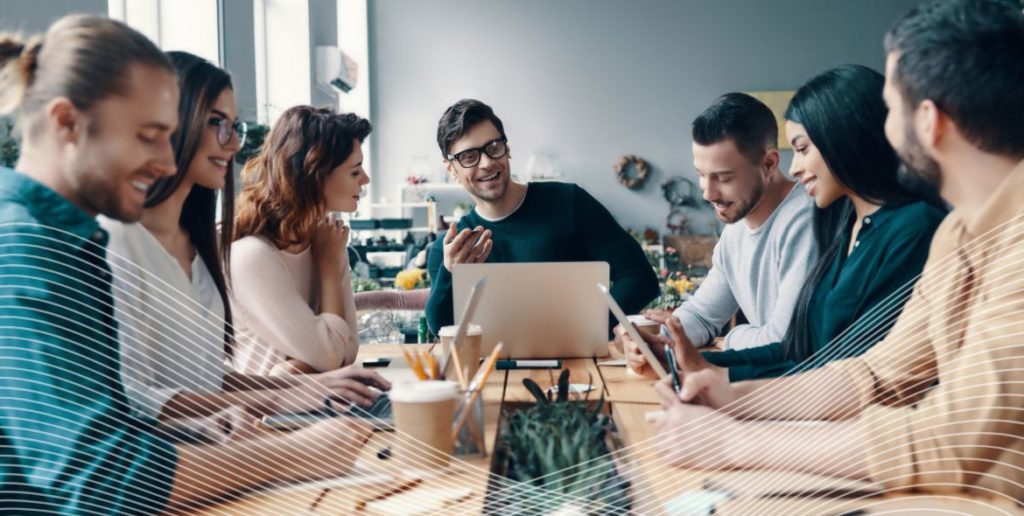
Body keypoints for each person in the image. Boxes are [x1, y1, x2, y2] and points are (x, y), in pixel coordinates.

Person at [653, 0, 1024, 502]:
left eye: (892, 110)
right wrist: (734, 395)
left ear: (930, 122)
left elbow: (947, 442)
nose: (884, 129)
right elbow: (878, 374)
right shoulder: (958, 234)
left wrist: (732, 438)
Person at [0, 16, 370, 512]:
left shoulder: (70, 238)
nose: (169, 163)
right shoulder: (26, 247)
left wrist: (202, 423)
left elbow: (115, 418)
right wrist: (294, 453)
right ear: (67, 122)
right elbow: (99, 479)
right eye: (149, 136)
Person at [101, 51, 388, 427]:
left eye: (235, 126)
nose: (235, 143)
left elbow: (208, 380)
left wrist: (318, 387)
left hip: (231, 441)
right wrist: (299, 390)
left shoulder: (198, 245)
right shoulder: (118, 239)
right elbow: (132, 398)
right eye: (218, 123)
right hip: (183, 465)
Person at [623, 65, 947, 382]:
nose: (795, 168)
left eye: (802, 149)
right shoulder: (849, 226)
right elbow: (799, 351)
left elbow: (844, 373)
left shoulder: (906, 227)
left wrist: (723, 370)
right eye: (701, 175)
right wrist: (679, 356)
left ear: (845, 140)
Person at [424, 99, 658, 335]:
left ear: (508, 149)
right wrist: (449, 272)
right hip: (494, 369)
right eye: (469, 157)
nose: (487, 163)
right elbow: (441, 328)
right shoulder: (452, 250)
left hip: (578, 366)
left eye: (494, 147)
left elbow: (639, 277)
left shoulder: (570, 201)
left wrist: (589, 328)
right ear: (452, 169)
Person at [616, 93, 818, 353]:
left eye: (723, 178)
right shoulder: (735, 228)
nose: (707, 194)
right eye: (702, 175)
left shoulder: (804, 220)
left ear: (769, 164)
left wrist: (732, 337)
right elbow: (701, 314)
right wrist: (654, 339)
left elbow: (785, 342)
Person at [231, 106, 371, 375]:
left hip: (318, 406)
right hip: (265, 414)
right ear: (315, 176)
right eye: (355, 172)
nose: (365, 179)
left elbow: (348, 350)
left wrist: (299, 367)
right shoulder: (253, 255)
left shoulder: (324, 239)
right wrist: (329, 266)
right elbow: (332, 356)